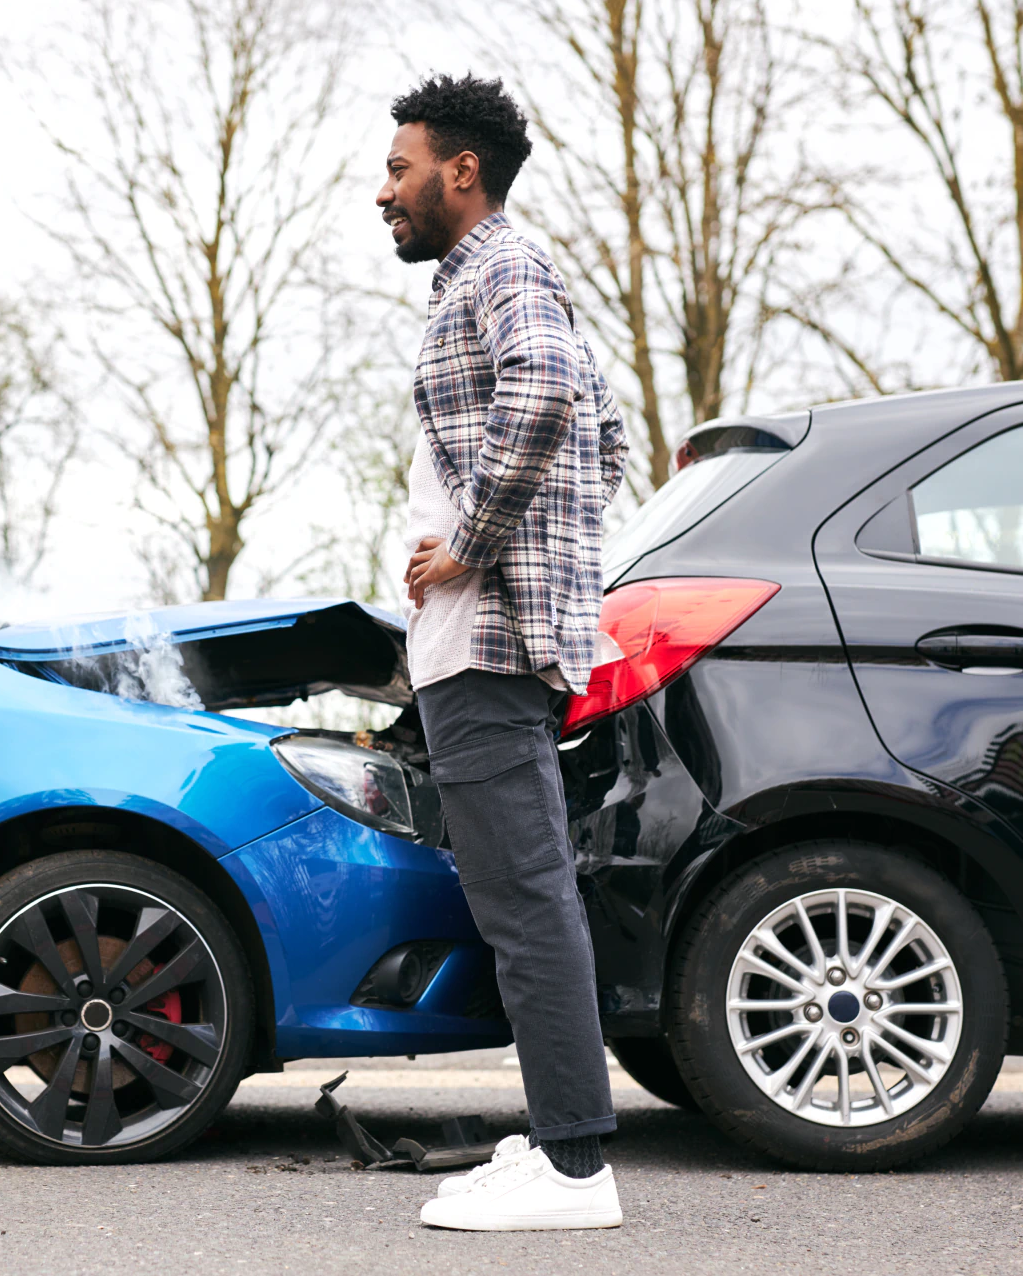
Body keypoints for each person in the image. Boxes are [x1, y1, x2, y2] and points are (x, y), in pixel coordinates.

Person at [377, 73, 630, 1232]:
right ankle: (557, 1146)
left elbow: (544, 401)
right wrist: (541, 551)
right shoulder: (490, 280)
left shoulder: (505, 266)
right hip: (481, 632)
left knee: (523, 899)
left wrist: (473, 546)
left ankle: (575, 1168)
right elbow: (604, 427)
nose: (383, 189)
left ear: (459, 170)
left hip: (484, 637)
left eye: (399, 167)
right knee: (517, 897)